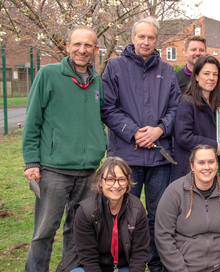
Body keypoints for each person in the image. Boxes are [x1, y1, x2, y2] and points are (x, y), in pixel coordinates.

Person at [22, 25, 108, 272]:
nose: (82, 50)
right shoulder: (48, 74)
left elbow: (98, 118)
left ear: (95, 50)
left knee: (79, 229)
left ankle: (70, 269)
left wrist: (99, 146)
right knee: (45, 230)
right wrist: (31, 161)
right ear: (68, 46)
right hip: (54, 169)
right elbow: (33, 120)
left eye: (88, 45)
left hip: (88, 171)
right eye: (77, 44)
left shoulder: (97, 80)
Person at [101, 16, 181, 272]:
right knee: (124, 213)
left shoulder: (167, 71)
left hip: (159, 158)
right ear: (132, 38)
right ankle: (124, 263)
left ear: (157, 40)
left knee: (158, 215)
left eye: (151, 37)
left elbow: (175, 108)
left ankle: (156, 263)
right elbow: (107, 108)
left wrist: (159, 130)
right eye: (141, 37)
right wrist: (134, 132)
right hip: (126, 157)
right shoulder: (114, 67)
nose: (146, 42)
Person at [155, 144, 220, 272]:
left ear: (216, 165)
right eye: (201, 162)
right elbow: (163, 237)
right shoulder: (174, 192)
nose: (207, 167)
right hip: (183, 268)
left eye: (211, 162)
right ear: (192, 166)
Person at [57, 157, 150, 272]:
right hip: (87, 267)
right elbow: (88, 258)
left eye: (121, 179)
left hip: (122, 267)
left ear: (128, 180)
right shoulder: (86, 211)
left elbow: (140, 253)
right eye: (110, 180)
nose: (116, 185)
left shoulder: (137, 209)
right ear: (100, 181)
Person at [172, 55, 220, 181]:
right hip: (193, 168)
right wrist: (214, 146)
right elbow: (183, 137)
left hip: (216, 165)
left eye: (215, 74)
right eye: (206, 73)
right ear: (196, 76)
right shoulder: (187, 102)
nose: (211, 78)